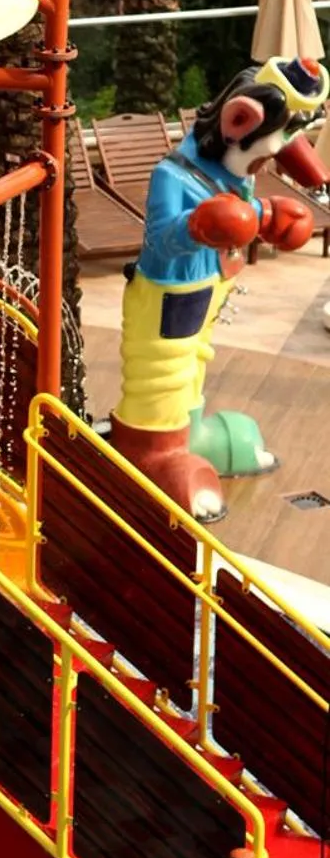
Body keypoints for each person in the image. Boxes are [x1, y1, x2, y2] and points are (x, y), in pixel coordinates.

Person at [113, 56, 329, 520]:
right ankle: (152, 448)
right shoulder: (173, 175)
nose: (275, 159)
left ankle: (188, 435)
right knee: (165, 370)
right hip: (168, 295)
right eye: (272, 148)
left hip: (209, 287)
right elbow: (160, 239)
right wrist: (202, 223)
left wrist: (266, 217)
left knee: (195, 361)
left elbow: (237, 210)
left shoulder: (233, 170)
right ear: (239, 122)